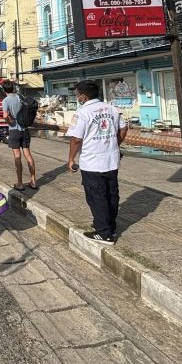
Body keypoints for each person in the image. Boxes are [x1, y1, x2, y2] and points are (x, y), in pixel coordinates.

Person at [66, 80, 127, 245]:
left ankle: (104, 233)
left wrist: (71, 159)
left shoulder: (82, 113)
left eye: (77, 95)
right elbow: (123, 128)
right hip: (111, 160)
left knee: (96, 197)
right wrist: (115, 144)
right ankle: (110, 226)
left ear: (83, 96)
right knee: (111, 194)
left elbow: (76, 139)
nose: (77, 97)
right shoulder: (112, 108)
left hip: (92, 162)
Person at [1, 80, 37, 191]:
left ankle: (20, 183)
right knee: (28, 155)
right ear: (13, 88)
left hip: (14, 130)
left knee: (17, 156)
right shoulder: (20, 97)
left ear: (4, 90)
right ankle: (33, 181)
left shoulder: (6, 100)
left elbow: (5, 115)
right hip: (25, 129)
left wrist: (9, 122)